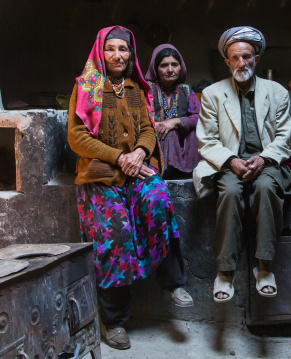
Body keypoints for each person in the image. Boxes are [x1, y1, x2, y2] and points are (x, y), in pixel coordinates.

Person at [67, 26, 192, 350]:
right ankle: (114, 321)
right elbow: (77, 137)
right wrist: (118, 157)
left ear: (131, 54)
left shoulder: (137, 88)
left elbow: (149, 130)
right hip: (101, 174)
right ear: (100, 52)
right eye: (111, 49)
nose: (118, 55)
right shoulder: (86, 88)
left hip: (136, 169)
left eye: (123, 49)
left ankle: (172, 284)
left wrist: (138, 152)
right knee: (114, 234)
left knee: (159, 201)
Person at [193, 26, 291, 303]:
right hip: (228, 165)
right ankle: (225, 272)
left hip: (268, 162)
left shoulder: (277, 92)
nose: (241, 63)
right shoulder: (213, 94)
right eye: (235, 58)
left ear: (256, 58)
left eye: (247, 57)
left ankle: (264, 268)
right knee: (230, 192)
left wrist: (263, 158)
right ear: (227, 61)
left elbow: (285, 135)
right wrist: (231, 160)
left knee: (265, 188)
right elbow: (207, 140)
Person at [145, 44, 201, 179]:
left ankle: (187, 171)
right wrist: (154, 125)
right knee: (168, 133)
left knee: (195, 132)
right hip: (156, 142)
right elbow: (138, 117)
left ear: (180, 67)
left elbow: (200, 117)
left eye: (174, 65)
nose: (170, 70)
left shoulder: (186, 91)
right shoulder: (147, 90)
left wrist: (176, 121)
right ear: (156, 69)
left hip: (183, 145)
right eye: (164, 65)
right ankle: (164, 171)